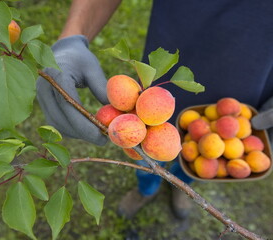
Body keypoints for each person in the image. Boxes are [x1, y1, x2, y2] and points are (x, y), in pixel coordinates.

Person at [36, 0, 273, 220]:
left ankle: (182, 185)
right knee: (146, 158)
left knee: (195, 157)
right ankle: (146, 189)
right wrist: (71, 37)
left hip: (241, 98)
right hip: (169, 61)